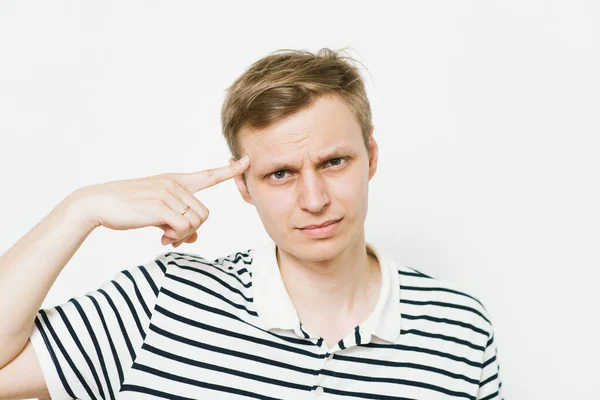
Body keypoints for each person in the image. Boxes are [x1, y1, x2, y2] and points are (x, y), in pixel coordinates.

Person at [0, 48, 502, 399]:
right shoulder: (165, 300)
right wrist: (79, 210)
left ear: (370, 157)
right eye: (280, 173)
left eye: (334, 163)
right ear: (244, 187)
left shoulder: (460, 330)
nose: (314, 199)